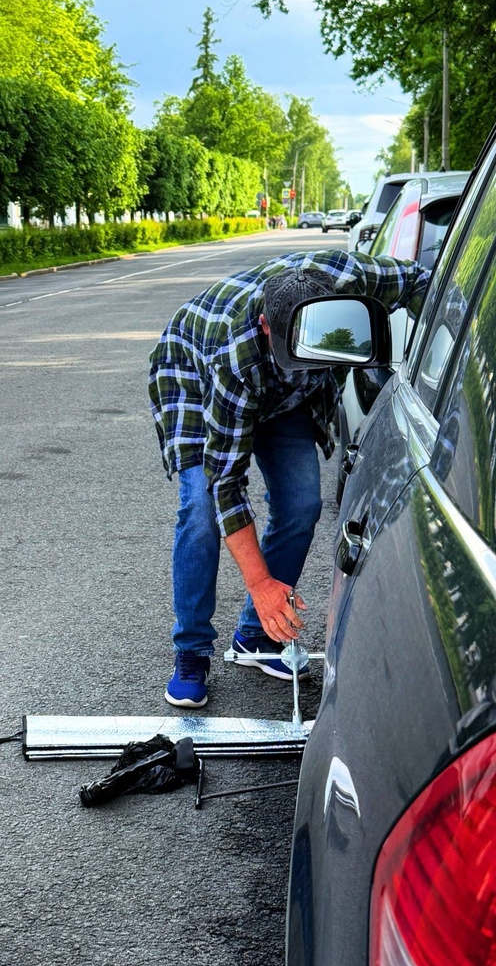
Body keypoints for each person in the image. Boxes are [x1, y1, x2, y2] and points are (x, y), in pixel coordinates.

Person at [149, 250, 430, 709]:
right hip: (195, 374)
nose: (309, 367)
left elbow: (426, 284)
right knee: (200, 509)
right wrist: (261, 584)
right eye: (295, 355)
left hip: (284, 395)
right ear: (266, 325)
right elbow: (226, 483)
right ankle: (192, 651)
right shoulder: (235, 358)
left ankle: (256, 638)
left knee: (302, 504)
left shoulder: (349, 282)